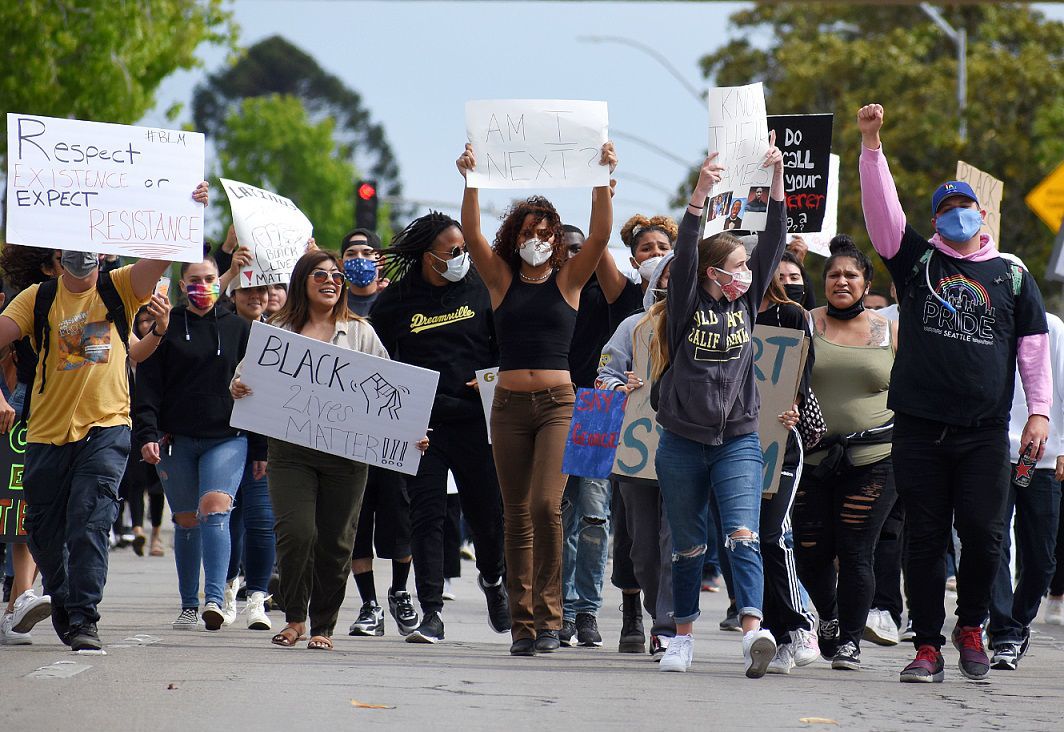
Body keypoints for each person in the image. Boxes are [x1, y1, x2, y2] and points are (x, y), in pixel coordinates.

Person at [857, 103, 1051, 683]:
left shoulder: (1012, 274)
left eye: (965, 206)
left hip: (985, 431)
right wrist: (872, 146)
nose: (957, 215)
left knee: (987, 538)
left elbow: (1034, 348)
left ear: (981, 212)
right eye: (946, 209)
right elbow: (882, 215)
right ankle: (927, 646)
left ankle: (972, 630)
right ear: (935, 219)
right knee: (925, 538)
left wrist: (1039, 413)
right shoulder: (915, 263)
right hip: (919, 426)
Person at [0, 182, 208, 652]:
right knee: (46, 532)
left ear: (106, 254)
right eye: (74, 247)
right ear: (57, 252)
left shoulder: (121, 288)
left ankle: (85, 618)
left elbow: (165, 251)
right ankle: (68, 605)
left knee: (90, 520)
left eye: (94, 247)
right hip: (47, 435)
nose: (84, 254)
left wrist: (186, 205)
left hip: (107, 429)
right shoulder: (37, 298)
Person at [456, 140, 616, 656]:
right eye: (530, 232)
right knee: (516, 512)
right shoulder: (500, 280)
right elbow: (474, 235)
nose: (539, 239)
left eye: (547, 233)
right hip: (507, 408)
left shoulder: (569, 280)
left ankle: (551, 619)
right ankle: (523, 626)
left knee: (548, 506)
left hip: (557, 405)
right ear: (516, 236)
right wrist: (470, 180)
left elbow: (600, 234)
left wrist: (601, 177)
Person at [231, 251, 426, 651]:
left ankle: (323, 625)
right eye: (320, 274)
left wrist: (411, 433)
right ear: (302, 280)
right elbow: (243, 376)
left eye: (336, 276)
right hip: (290, 450)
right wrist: (238, 386)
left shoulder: (360, 332)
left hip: (346, 455)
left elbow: (392, 391)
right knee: (296, 533)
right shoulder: (277, 329)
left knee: (336, 541)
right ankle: (296, 619)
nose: (332, 281)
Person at [651, 135, 785, 677]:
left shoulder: (748, 302)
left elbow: (774, 240)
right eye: (736, 264)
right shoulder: (685, 303)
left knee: (742, 534)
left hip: (738, 442)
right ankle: (681, 636)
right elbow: (685, 254)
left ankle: (754, 631)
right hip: (682, 443)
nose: (746, 271)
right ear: (712, 273)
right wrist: (699, 194)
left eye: (748, 265)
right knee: (687, 547)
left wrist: (778, 181)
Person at [368, 211, 509, 644]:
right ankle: (432, 611)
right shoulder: (395, 302)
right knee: (425, 517)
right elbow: (375, 361)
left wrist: (493, 374)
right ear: (428, 256)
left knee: (487, 516)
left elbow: (507, 347)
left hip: (474, 422)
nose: (461, 257)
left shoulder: (481, 289)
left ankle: (493, 579)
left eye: (464, 249)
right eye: (453, 251)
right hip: (421, 426)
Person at [792, 237, 898, 672]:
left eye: (851, 275)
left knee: (856, 551)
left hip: (874, 459)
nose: (842, 281)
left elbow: (913, 390)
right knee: (810, 552)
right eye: (834, 274)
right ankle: (830, 618)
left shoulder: (890, 330)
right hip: (811, 458)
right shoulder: (802, 323)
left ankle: (851, 639)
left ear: (866, 282)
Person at [135, 255, 254, 632]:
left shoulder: (241, 329)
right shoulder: (164, 329)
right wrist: (147, 433)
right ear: (182, 285)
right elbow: (148, 386)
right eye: (195, 280)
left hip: (228, 438)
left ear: (221, 281)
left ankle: (215, 599)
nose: (204, 285)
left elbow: (260, 391)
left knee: (215, 510)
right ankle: (188, 604)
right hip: (177, 440)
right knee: (186, 521)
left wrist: (262, 450)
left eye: (210, 278)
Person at [987, 254, 1064, 670]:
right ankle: (1004, 633)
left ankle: (1018, 620)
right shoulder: (988, 321)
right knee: (993, 543)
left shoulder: (1052, 327)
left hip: (1043, 458)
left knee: (1041, 556)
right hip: (993, 451)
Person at [597, 254, 675, 659]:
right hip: (638, 454)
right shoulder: (633, 327)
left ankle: (667, 628)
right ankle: (655, 609)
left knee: (676, 542)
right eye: (668, 275)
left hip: (688, 453)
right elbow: (604, 374)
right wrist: (618, 387)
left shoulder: (708, 328)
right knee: (644, 551)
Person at [755, 274, 822, 675]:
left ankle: (801, 624)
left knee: (772, 534)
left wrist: (792, 403)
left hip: (779, 441)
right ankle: (775, 635)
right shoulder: (719, 314)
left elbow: (799, 376)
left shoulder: (793, 316)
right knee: (745, 543)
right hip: (728, 445)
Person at [221, 281, 275, 631]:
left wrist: (262, 450)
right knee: (226, 521)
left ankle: (258, 597)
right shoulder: (220, 328)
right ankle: (224, 591)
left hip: (261, 447)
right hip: (222, 440)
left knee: (261, 520)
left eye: (264, 290)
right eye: (247, 290)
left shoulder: (279, 336)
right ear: (233, 295)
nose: (256, 296)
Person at [340, 228, 384, 316]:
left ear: (381, 262)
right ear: (341, 264)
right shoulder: (334, 304)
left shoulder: (394, 301)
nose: (359, 258)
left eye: (367, 253)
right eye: (351, 254)